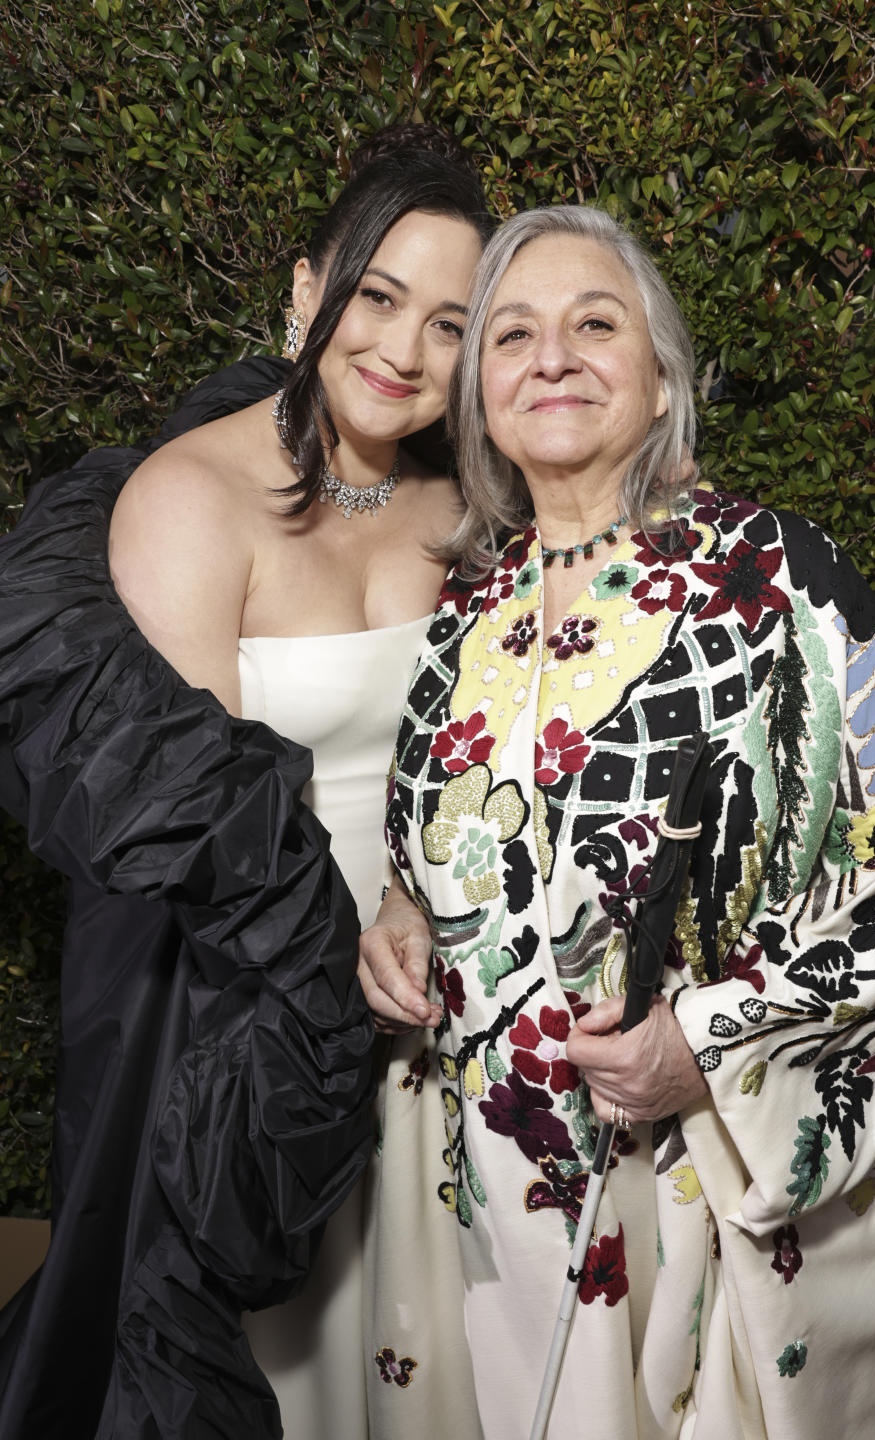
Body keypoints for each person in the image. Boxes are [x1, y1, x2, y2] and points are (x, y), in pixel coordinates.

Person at [359, 205, 875, 1438]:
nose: (554, 357)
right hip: (482, 1198)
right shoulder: (465, 609)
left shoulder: (778, 574)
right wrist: (400, 920)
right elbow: (435, 846)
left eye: (596, 323)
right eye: (513, 335)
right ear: (480, 397)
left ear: (661, 372)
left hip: (687, 1183)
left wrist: (713, 1043)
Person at [0, 124, 492, 1440]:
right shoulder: (192, 501)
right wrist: (341, 970)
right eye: (374, 296)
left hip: (443, 993)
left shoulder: (464, 520)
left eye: (448, 323)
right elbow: (190, 834)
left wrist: (432, 916)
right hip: (247, 1029)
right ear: (302, 291)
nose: (398, 350)